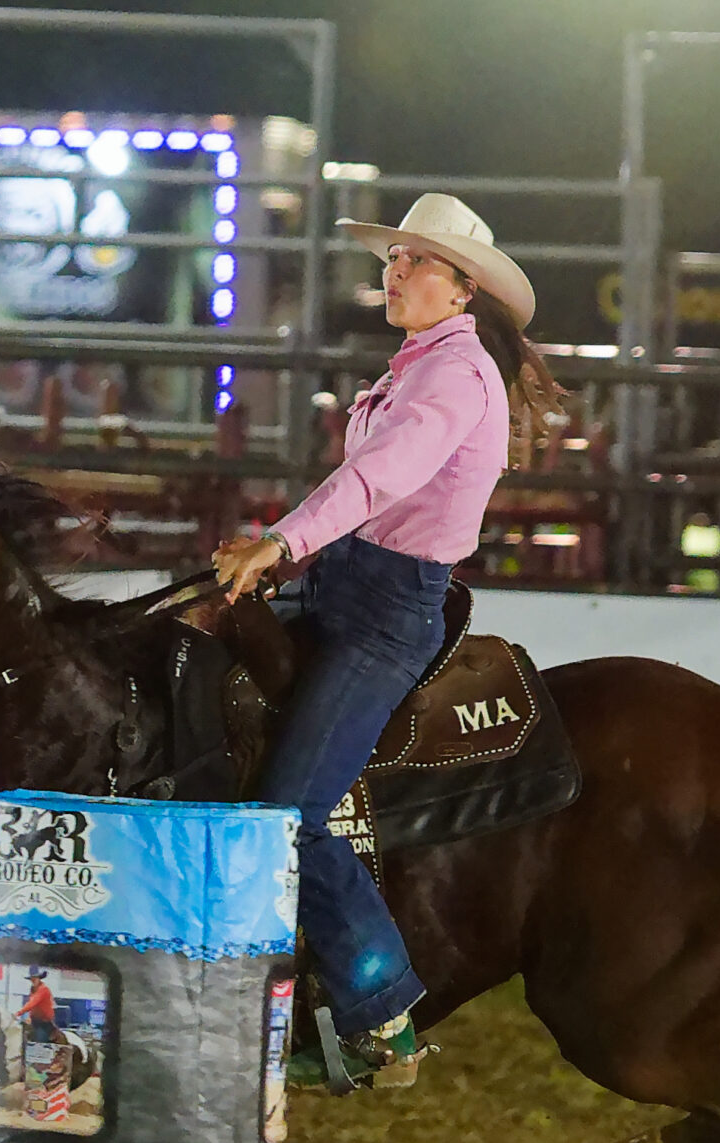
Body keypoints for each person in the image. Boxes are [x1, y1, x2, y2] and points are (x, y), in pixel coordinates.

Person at [212, 194, 560, 1090]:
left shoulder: (455, 375)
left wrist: (281, 543)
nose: (395, 273)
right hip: (349, 587)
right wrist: (295, 557)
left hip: (384, 611)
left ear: (464, 288)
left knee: (291, 815)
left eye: (416, 261)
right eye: (394, 259)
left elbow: (382, 476)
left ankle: (383, 1015)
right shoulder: (426, 365)